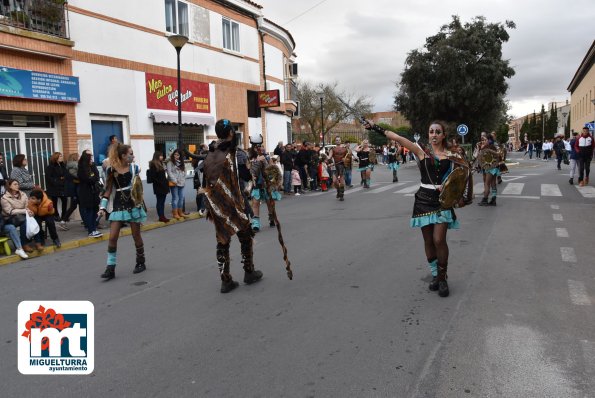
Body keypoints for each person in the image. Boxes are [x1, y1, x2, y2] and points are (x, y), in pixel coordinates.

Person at [364, 120, 467, 297]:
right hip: (423, 200)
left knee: (439, 239)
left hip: (443, 202)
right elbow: (397, 137)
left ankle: (443, 279)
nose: (434, 135)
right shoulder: (422, 152)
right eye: (431, 132)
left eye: (437, 132)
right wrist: (375, 127)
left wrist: (455, 192)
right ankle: (435, 275)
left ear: (443, 135)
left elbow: (462, 176)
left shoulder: (452, 156)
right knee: (428, 241)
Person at [202, 119, 263, 293]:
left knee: (222, 241)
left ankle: (225, 280)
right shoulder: (236, 153)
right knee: (245, 237)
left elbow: (205, 181)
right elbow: (247, 175)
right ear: (230, 133)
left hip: (217, 205)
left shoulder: (210, 153)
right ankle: (249, 272)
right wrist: (258, 165)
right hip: (235, 203)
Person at [98, 143, 148, 280]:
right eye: (131, 154)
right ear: (123, 155)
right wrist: (102, 207)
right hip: (119, 205)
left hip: (133, 205)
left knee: (136, 235)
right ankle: (110, 268)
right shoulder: (111, 170)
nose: (133, 156)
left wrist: (140, 203)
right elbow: (108, 190)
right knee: (113, 236)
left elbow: (138, 188)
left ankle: (140, 262)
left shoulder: (134, 168)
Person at [248, 135, 278, 231]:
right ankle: (255, 223)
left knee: (270, 202)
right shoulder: (250, 158)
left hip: (267, 183)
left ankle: (271, 217)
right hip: (256, 183)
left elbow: (272, 170)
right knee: (255, 202)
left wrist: (265, 161)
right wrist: (256, 162)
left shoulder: (266, 157)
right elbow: (250, 171)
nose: (259, 148)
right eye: (256, 146)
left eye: (260, 146)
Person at [1, 179, 33, 258]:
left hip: (20, 216)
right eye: (15, 184)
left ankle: (22, 246)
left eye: (18, 184)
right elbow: (10, 211)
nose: (17, 186)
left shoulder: (23, 194)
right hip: (10, 219)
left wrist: (28, 211)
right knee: (13, 226)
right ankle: (21, 246)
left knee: (30, 220)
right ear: (9, 186)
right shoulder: (4, 198)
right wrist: (24, 211)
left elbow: (27, 206)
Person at [77, 151, 103, 238]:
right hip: (86, 193)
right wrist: (93, 178)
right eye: (90, 157)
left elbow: (96, 176)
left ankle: (94, 229)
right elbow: (88, 179)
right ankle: (91, 230)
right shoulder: (81, 168)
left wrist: (93, 167)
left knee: (95, 210)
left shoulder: (92, 166)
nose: (92, 159)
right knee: (89, 211)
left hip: (94, 192)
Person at [476, 133, 501, 206]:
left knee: (487, 184)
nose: (483, 141)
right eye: (482, 140)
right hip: (493, 167)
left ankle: (485, 200)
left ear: (489, 140)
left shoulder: (489, 147)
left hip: (490, 168)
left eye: (485, 140)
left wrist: (487, 150)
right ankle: (493, 199)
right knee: (493, 184)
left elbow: (497, 154)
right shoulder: (490, 146)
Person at [45, 152, 69, 227]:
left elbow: (65, 175)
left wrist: (62, 179)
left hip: (62, 186)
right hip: (54, 187)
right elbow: (50, 178)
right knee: (54, 201)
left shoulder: (63, 166)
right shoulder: (50, 167)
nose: (62, 157)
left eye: (62, 156)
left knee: (64, 200)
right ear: (56, 158)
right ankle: (56, 215)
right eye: (60, 156)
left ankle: (64, 216)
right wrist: (58, 180)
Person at [147, 151, 170, 223]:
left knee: (162, 202)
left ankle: (162, 216)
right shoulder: (153, 164)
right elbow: (154, 177)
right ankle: (161, 216)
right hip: (159, 186)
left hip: (163, 186)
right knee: (160, 202)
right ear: (157, 156)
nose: (162, 157)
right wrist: (161, 184)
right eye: (161, 156)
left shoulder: (161, 163)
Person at [166, 149, 187, 220]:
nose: (176, 156)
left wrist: (183, 178)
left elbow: (184, 171)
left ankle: (180, 212)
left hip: (181, 182)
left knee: (181, 198)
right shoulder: (170, 162)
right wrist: (174, 180)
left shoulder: (181, 162)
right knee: (175, 198)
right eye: (175, 154)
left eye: (178, 155)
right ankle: (175, 213)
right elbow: (169, 172)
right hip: (174, 183)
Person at [327, 136, 349, 200]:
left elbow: (349, 157)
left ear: (341, 141)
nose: (338, 141)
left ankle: (341, 194)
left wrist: (345, 159)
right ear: (335, 141)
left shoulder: (345, 148)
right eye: (336, 140)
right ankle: (338, 190)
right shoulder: (332, 148)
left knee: (342, 181)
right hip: (335, 165)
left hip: (342, 166)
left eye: (339, 140)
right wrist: (329, 161)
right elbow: (329, 157)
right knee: (334, 181)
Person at [62, 153, 79, 223]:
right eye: (78, 156)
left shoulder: (69, 166)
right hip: (74, 189)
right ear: (75, 158)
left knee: (74, 205)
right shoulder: (74, 166)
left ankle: (64, 220)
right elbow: (77, 176)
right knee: (73, 206)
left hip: (73, 189)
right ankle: (63, 220)